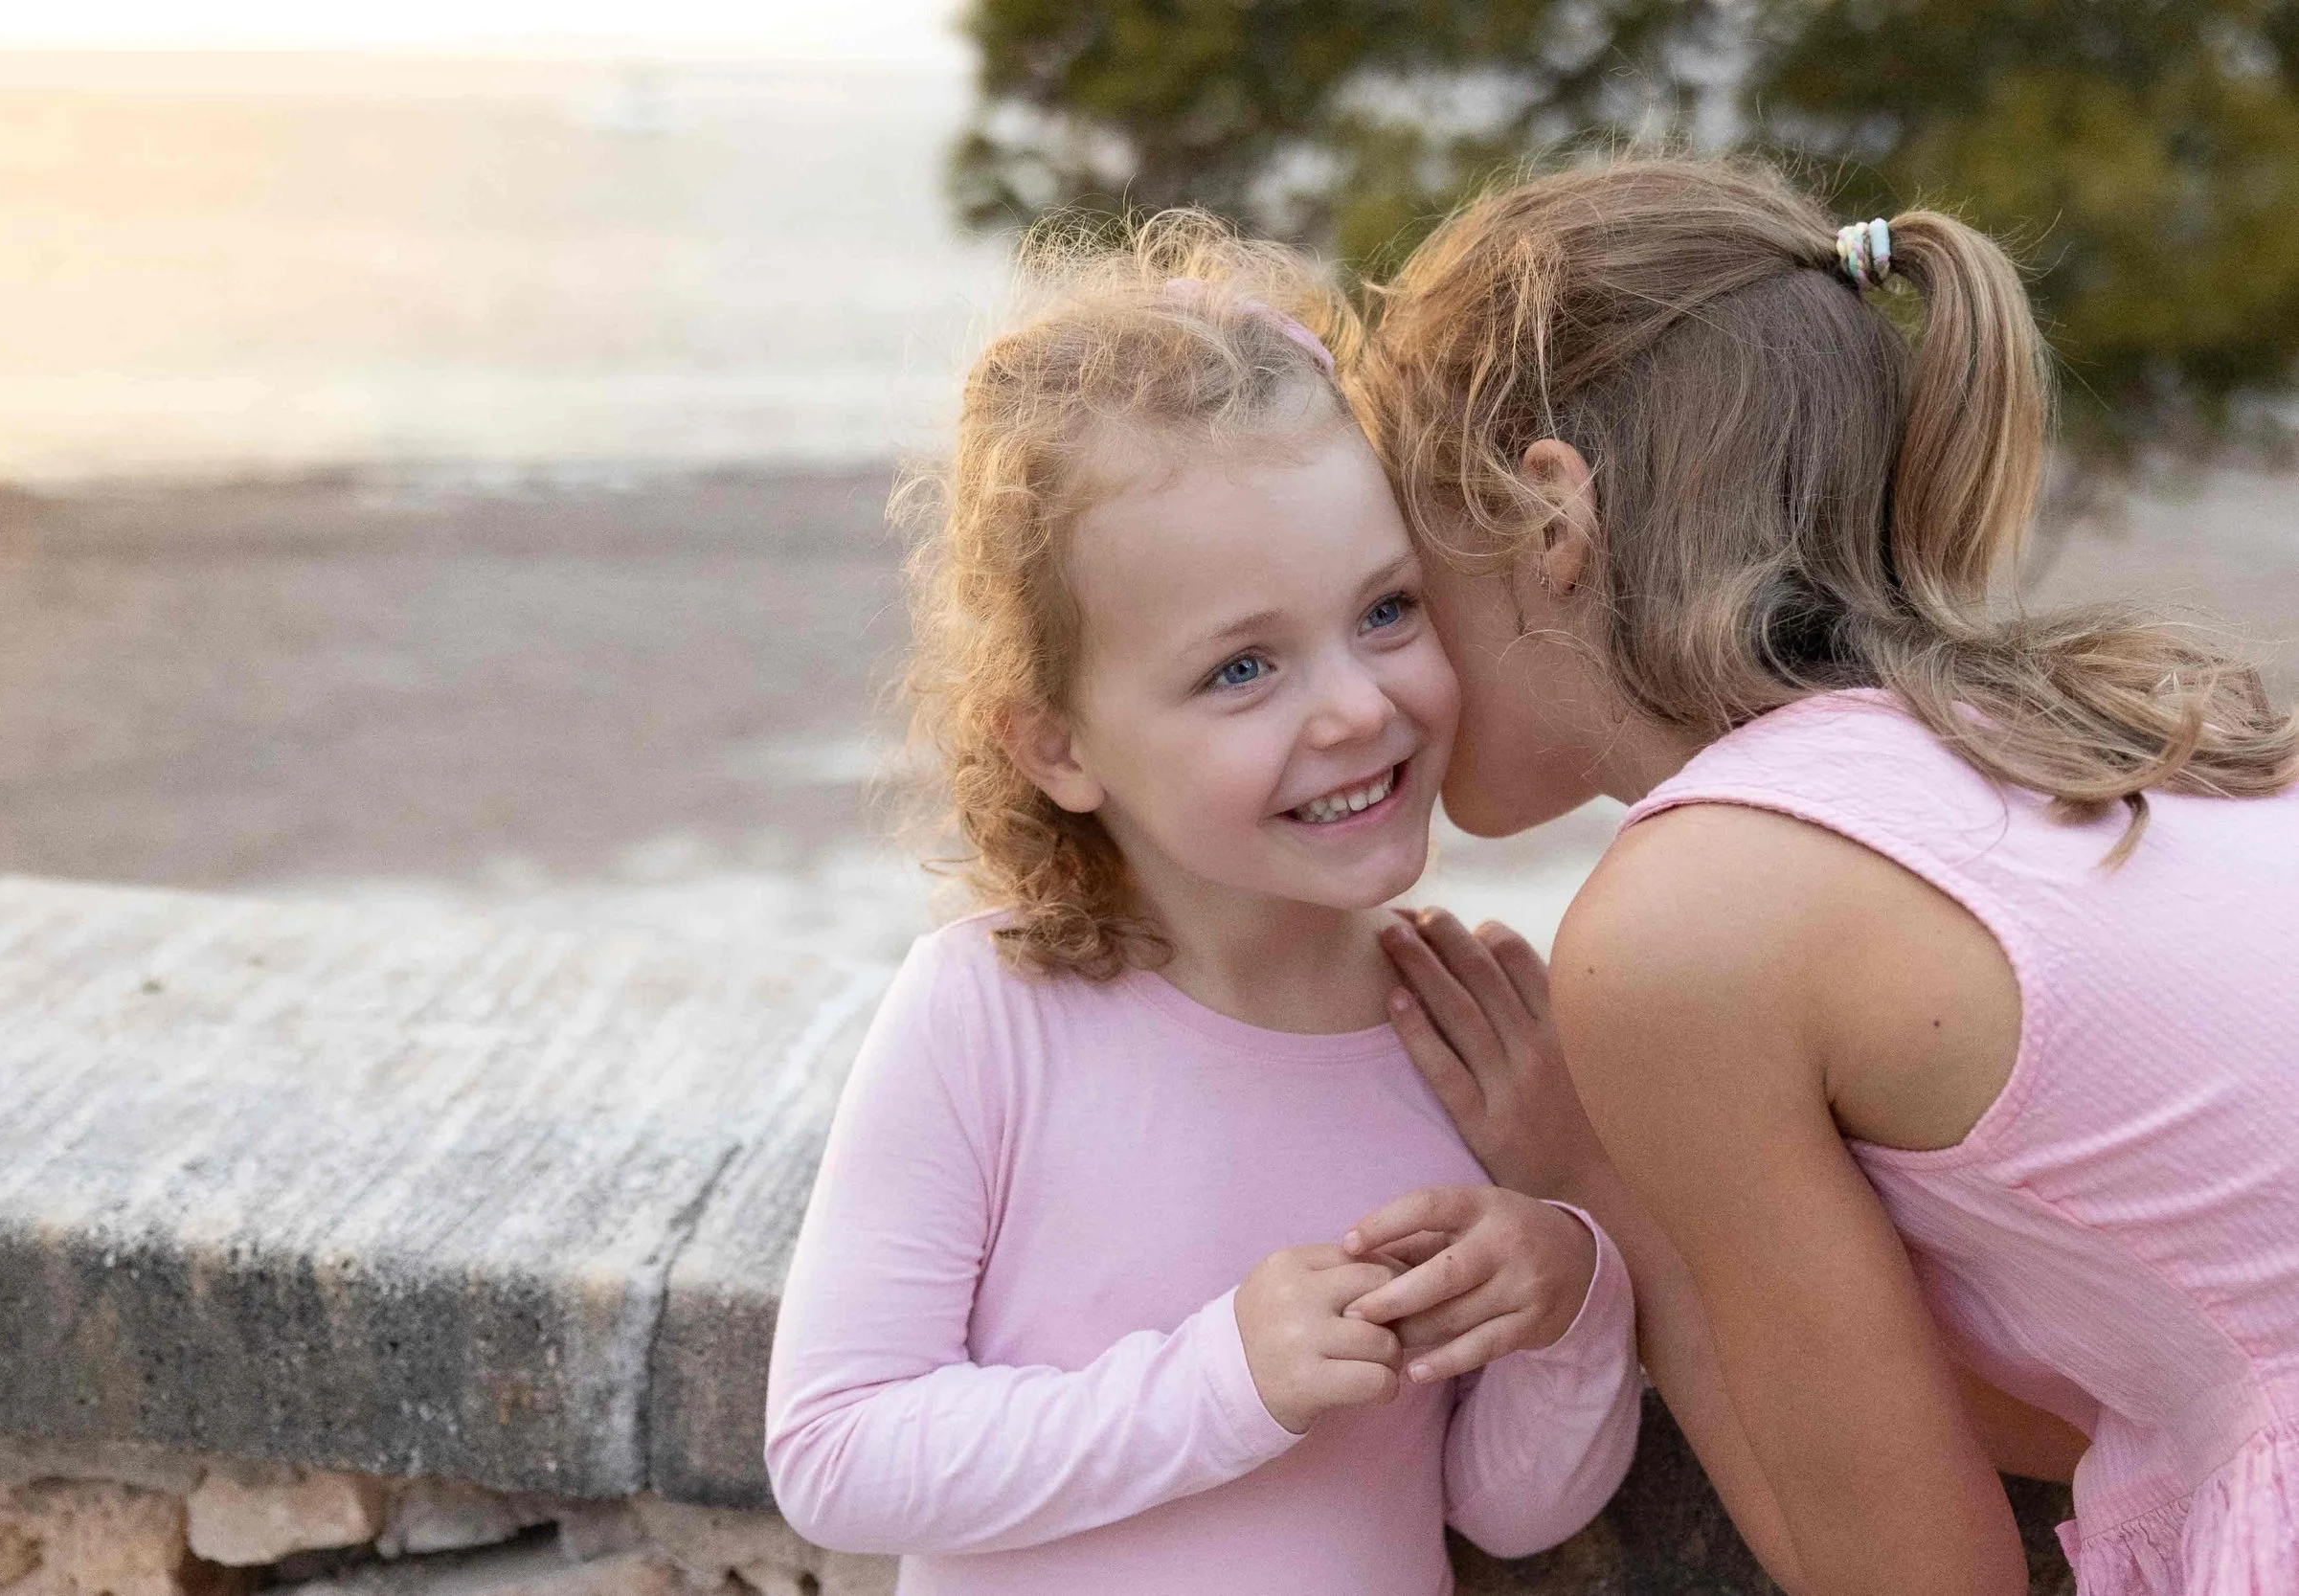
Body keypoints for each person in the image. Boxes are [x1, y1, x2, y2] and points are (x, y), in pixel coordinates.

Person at [1339, 156, 2299, 1596]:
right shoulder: (2125, 732)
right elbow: (2148, 1372)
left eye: (1392, 596)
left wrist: (1606, 1177)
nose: (1372, 681)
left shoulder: (1692, 919)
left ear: (1550, 522)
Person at [763, 214, 1640, 1594]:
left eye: (1389, 611)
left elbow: (1511, 1508)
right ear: (1057, 745)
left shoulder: (1470, 1039)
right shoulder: (989, 1014)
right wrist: (1220, 1379)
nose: (1357, 706)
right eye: (1243, 669)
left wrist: (1572, 1291)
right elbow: (836, 1447)